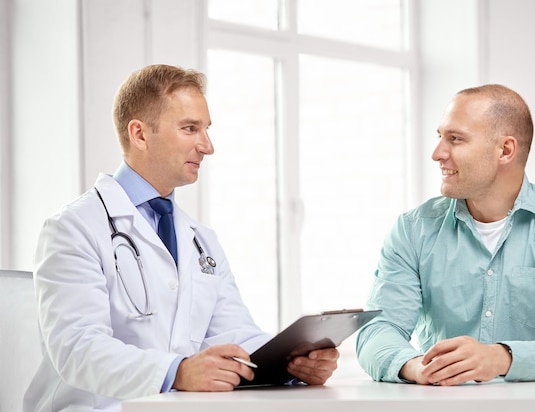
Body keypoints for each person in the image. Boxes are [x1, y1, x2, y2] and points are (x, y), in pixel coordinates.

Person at [24, 64, 339, 411]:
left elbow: (236, 334)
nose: (207, 146)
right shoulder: (73, 228)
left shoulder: (200, 239)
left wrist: (292, 363)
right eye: (191, 129)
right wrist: (177, 371)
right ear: (140, 135)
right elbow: (77, 348)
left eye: (206, 129)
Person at [356, 84, 535, 386]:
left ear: (505, 150)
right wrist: (416, 367)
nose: (437, 153)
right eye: (440, 137)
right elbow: (378, 330)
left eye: (455, 139)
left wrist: (500, 358)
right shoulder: (413, 230)